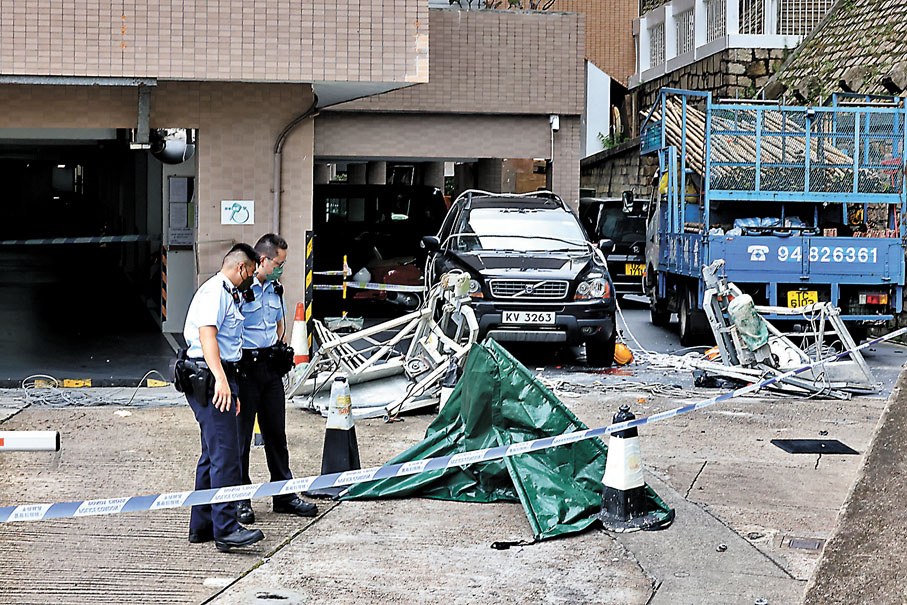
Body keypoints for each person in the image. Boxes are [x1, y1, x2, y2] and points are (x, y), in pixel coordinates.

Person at [182, 243, 265, 552]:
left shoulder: (226, 293)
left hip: (219, 376)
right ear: (241, 268)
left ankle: (202, 525)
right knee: (226, 456)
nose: (252, 278)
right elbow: (207, 337)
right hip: (210, 377)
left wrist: (229, 383)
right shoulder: (215, 291)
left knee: (211, 455)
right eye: (251, 272)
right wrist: (221, 380)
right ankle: (227, 529)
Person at [234, 233, 318, 524]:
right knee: (241, 439)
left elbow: (279, 325)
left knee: (276, 436)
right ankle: (239, 499)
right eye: (278, 263)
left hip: (270, 369)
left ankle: (284, 495)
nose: (281, 269)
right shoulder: (241, 290)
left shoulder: (275, 289)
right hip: (246, 368)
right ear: (263, 260)